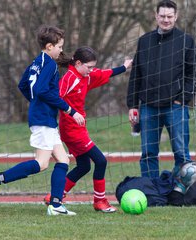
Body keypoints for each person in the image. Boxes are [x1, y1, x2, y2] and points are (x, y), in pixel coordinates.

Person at [0, 25, 85, 216]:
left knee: (63, 159)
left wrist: (36, 103)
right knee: (41, 163)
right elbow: (42, 90)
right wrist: (70, 110)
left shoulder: (38, 61)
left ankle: (55, 205)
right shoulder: (50, 65)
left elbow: (23, 85)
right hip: (44, 119)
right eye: (60, 46)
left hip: (43, 117)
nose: (61, 50)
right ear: (50, 46)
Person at [44, 46, 132, 212]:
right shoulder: (69, 78)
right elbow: (54, 98)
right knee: (101, 161)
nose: (91, 71)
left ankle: (55, 196)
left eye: (93, 67)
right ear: (78, 63)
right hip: (71, 131)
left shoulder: (86, 75)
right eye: (89, 67)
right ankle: (100, 201)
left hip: (79, 129)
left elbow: (105, 73)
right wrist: (62, 116)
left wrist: (124, 67)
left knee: (84, 166)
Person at [126, 0, 196, 179]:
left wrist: (182, 99)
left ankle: (182, 189)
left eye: (169, 16)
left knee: (181, 153)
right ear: (156, 16)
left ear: (176, 17)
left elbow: (193, 75)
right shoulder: (144, 41)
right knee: (148, 153)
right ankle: (151, 189)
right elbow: (136, 74)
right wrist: (133, 105)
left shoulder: (186, 41)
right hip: (148, 107)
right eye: (162, 16)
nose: (166, 20)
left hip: (175, 106)